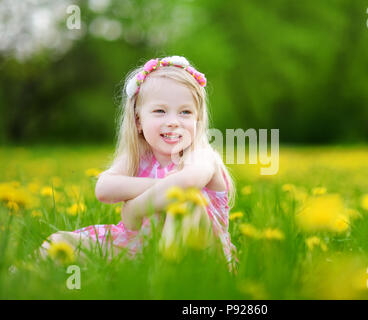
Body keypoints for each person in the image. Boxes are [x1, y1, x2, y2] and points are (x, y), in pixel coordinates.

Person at [39, 55, 238, 272]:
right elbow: (103, 188)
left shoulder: (202, 155)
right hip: (141, 248)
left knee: (186, 201)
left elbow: (187, 183)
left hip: (202, 255)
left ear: (197, 120)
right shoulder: (139, 157)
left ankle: (164, 283)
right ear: (138, 121)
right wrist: (157, 187)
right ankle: (22, 277)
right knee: (59, 243)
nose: (173, 121)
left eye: (185, 112)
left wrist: (134, 209)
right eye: (160, 111)